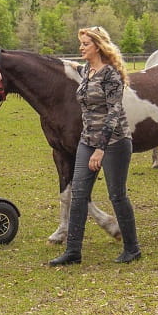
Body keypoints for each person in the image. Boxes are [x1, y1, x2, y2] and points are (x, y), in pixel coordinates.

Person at [49, 26, 140, 265]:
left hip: (114, 141)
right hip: (87, 139)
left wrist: (101, 148)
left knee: (117, 195)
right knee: (79, 194)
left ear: (98, 46)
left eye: (85, 44)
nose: (81, 47)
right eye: (80, 43)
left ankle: (132, 248)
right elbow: (70, 66)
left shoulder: (111, 75)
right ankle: (73, 251)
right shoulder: (87, 70)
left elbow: (114, 112)